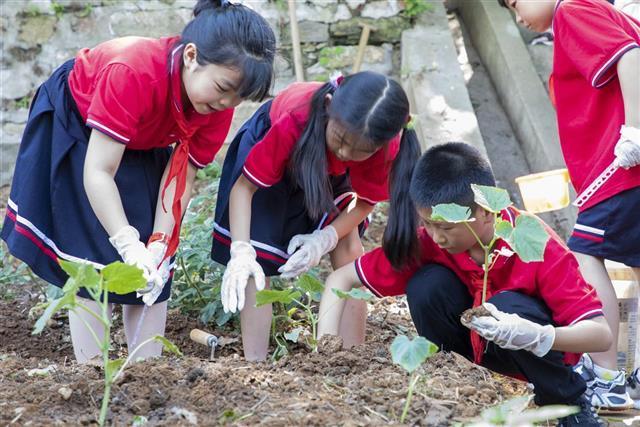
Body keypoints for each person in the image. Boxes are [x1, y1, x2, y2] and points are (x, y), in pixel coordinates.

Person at [0, 0, 275, 363]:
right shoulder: (133, 70)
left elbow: (181, 176)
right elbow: (98, 172)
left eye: (237, 98)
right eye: (223, 87)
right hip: (82, 124)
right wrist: (127, 244)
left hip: (148, 134)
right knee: (94, 252)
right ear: (191, 56)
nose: (226, 102)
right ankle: (93, 369)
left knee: (154, 265)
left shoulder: (215, 106)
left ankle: (148, 367)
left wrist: (158, 244)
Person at [318, 143, 612, 427]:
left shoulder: (537, 244)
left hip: (532, 357)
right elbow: (341, 277)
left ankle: (567, 408)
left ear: (485, 210)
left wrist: (538, 336)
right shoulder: (430, 243)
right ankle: (447, 382)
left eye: (445, 226)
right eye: (427, 223)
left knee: (506, 306)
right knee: (425, 285)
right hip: (470, 353)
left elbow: (600, 335)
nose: (435, 236)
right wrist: (325, 352)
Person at [211, 71, 421, 361]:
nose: (346, 152)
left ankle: (351, 357)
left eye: (359, 151)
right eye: (341, 140)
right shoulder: (294, 121)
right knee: (255, 263)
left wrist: (325, 238)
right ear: (328, 105)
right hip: (285, 152)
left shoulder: (381, 144)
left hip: (331, 171)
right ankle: (254, 362)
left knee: (348, 245)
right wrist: (241, 251)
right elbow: (244, 190)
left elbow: (363, 204)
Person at [498, 0, 640, 409]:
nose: (518, 15)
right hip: (621, 169)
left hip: (620, 171)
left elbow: (630, 57)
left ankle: (605, 377)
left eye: (515, 2)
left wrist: (632, 129)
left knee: (585, 252)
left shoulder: (572, 10)